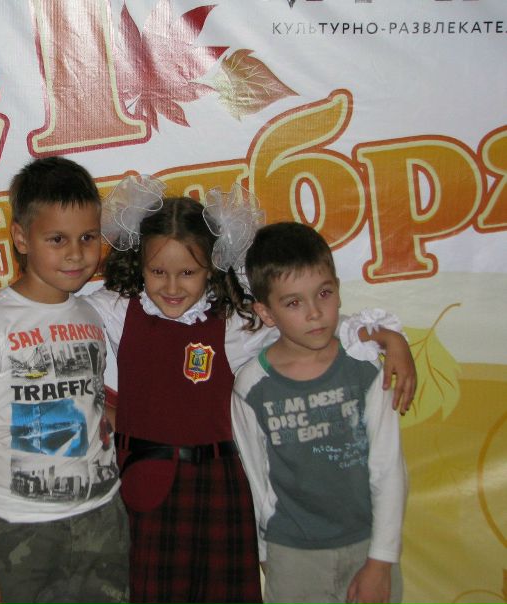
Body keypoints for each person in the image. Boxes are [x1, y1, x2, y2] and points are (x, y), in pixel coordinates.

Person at [82, 178, 415, 604]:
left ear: (212, 267)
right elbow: (59, 316)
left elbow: (308, 323)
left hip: (224, 491)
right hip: (146, 490)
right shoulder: (116, 311)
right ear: (139, 264)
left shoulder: (235, 323)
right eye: (157, 272)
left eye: (188, 273)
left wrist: (385, 336)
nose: (171, 286)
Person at [0, 156, 129, 604]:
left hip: (103, 519)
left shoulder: (92, 314)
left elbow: (92, 402)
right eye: (57, 239)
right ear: (21, 237)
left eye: (88, 237)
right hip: (18, 529)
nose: (76, 253)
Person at [231, 221, 408, 604]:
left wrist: (382, 560)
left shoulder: (364, 366)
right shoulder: (251, 386)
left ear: (338, 290)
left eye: (324, 294)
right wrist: (267, 558)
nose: (314, 313)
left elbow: (388, 466)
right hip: (293, 556)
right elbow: (257, 482)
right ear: (267, 312)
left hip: (367, 548)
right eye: (293, 303)